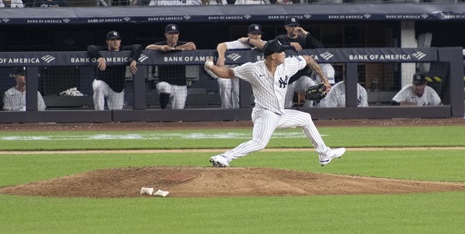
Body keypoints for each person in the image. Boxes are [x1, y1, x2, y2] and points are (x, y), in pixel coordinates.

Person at [204, 40, 344, 168]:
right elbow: (228, 73)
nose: (284, 54)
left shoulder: (287, 65)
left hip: (280, 114)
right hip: (264, 113)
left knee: (305, 118)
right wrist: (212, 68)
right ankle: (224, 157)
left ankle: (324, 154)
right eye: (281, 52)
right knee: (260, 142)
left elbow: (308, 59)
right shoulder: (253, 69)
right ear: (273, 56)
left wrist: (325, 80)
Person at [212, 23, 266, 109]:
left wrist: (249, 40)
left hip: (243, 74)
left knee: (237, 90)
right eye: (254, 34)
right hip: (229, 70)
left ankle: (237, 112)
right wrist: (221, 57)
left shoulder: (262, 43)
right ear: (249, 34)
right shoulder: (241, 43)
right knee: (224, 84)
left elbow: (266, 46)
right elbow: (222, 45)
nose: (256, 36)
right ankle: (226, 110)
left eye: (258, 34)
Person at [144, 23, 197, 110]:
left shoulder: (181, 44)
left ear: (178, 34)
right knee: (165, 87)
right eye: (171, 33)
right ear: (166, 35)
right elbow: (148, 47)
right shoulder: (162, 44)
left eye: (175, 33)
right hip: (164, 81)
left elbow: (193, 46)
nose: (173, 36)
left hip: (180, 84)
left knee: (178, 112)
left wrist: (176, 48)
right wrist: (161, 48)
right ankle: (163, 111)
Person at [87, 31, 142, 111]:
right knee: (98, 86)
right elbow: (90, 47)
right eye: (112, 40)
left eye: (117, 39)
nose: (115, 42)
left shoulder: (124, 50)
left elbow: (138, 47)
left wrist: (134, 60)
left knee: (117, 114)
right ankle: (99, 114)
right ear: (107, 42)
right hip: (104, 83)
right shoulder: (103, 50)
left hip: (117, 88)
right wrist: (99, 57)